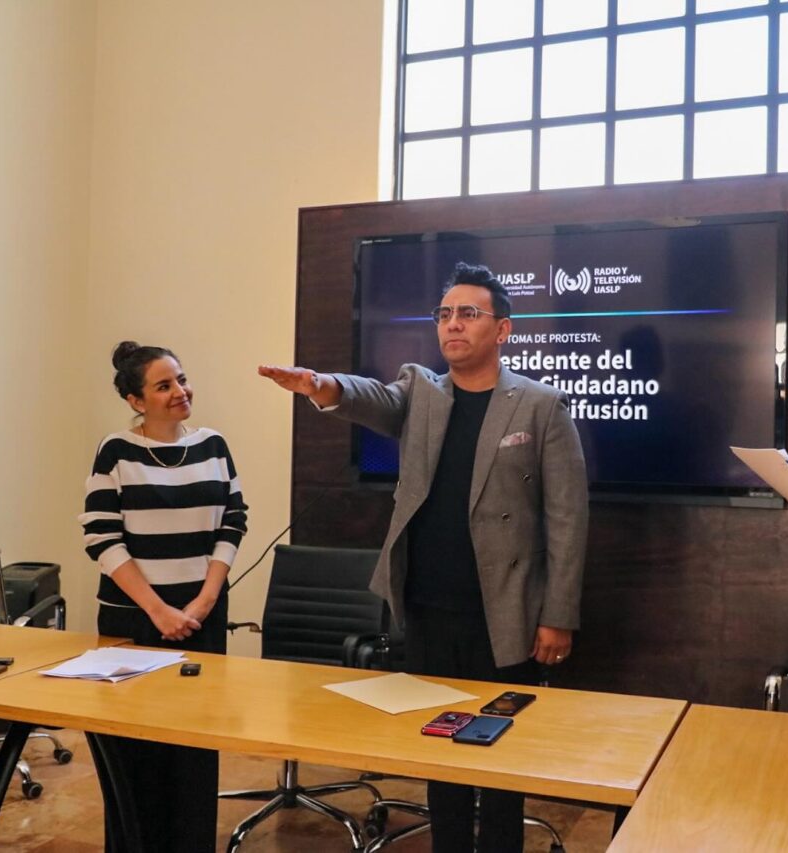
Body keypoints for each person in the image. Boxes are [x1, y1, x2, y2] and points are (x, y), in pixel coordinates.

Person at [259, 261, 588, 853]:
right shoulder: (422, 392)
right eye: (444, 314)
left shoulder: (540, 406)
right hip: (428, 607)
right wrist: (320, 385)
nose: (453, 324)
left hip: (506, 611)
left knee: (501, 756)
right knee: (440, 751)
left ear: (502, 329)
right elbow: (371, 399)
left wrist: (557, 614)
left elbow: (568, 517)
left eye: (469, 313)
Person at [79, 341, 248, 852]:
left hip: (201, 618)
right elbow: (101, 536)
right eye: (164, 385)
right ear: (136, 401)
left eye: (181, 379)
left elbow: (233, 521)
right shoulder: (116, 451)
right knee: (136, 752)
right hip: (133, 620)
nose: (181, 391)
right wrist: (157, 610)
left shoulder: (213, 445)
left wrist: (204, 601)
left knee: (194, 749)